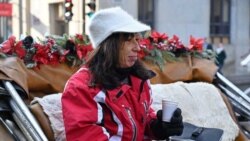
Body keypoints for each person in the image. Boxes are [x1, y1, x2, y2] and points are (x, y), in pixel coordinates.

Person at [61, 7, 183, 141]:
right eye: (129, 40)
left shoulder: (138, 78)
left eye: (137, 40)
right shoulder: (82, 87)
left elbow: (142, 119)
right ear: (109, 45)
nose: (137, 47)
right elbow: (86, 136)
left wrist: (159, 127)